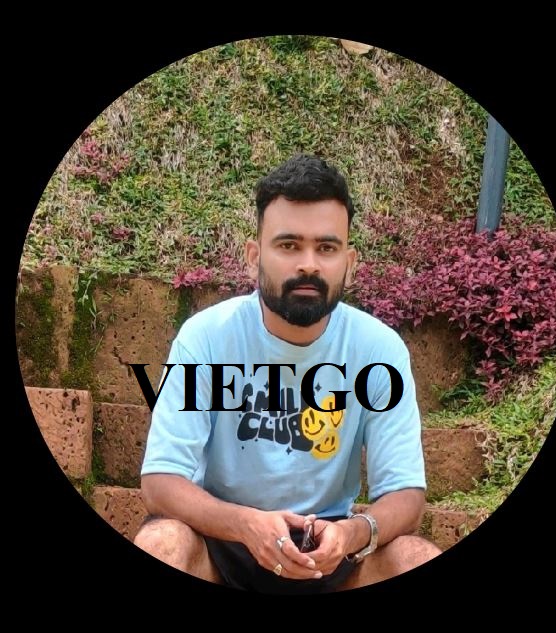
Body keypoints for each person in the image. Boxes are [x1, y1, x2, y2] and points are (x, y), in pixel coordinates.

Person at [135, 154, 441, 593]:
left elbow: (406, 496)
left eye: (326, 248)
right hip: (222, 540)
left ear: (350, 262)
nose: (309, 265)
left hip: (330, 548)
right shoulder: (205, 338)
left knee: (414, 556)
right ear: (253, 256)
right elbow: (160, 483)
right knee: (162, 542)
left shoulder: (379, 350)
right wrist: (246, 525)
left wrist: (352, 533)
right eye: (289, 245)